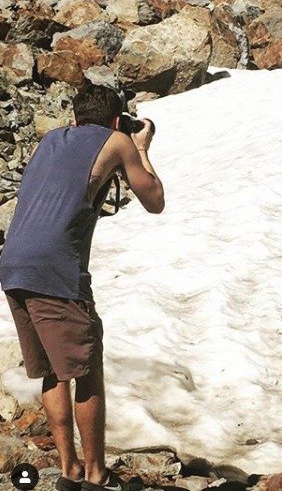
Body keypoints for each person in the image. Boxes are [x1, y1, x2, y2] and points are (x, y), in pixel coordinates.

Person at [0, 83, 165, 491]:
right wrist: (140, 146)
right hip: (56, 268)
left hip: (14, 263)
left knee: (55, 371)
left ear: (75, 118)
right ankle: (94, 475)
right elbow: (154, 198)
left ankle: (69, 470)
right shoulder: (118, 140)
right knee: (87, 369)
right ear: (115, 119)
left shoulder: (50, 139)